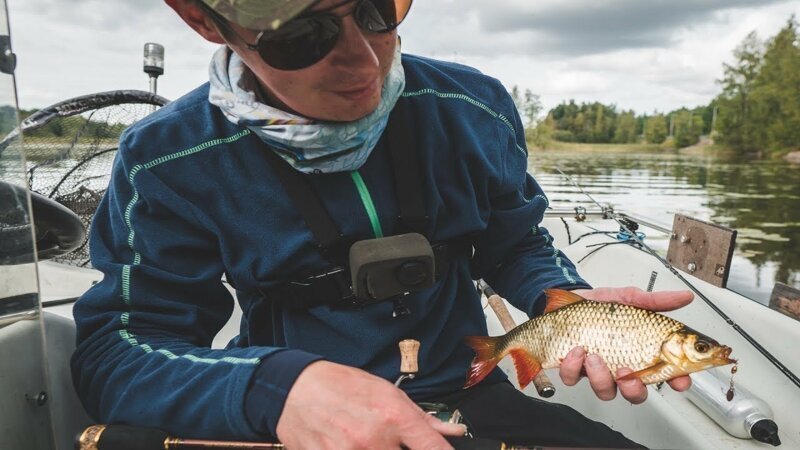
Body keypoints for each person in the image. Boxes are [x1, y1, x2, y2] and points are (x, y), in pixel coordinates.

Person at [71, 0, 693, 448]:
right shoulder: (167, 159)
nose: (365, 59)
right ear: (204, 18)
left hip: (469, 391)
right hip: (297, 420)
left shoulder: (474, 108)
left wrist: (566, 303)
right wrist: (277, 390)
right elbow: (116, 353)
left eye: (377, 10)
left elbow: (515, 243)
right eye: (303, 34)